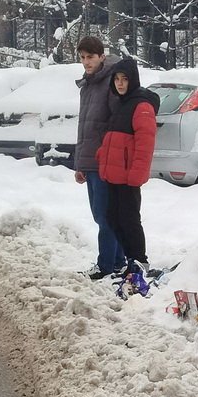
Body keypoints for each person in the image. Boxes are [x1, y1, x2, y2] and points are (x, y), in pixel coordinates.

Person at [96, 58, 160, 295]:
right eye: (117, 79)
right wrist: (102, 155)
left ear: (133, 80)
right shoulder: (122, 103)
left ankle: (139, 261)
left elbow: (145, 144)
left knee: (130, 220)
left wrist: (137, 174)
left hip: (128, 176)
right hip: (113, 174)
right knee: (113, 218)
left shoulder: (141, 105)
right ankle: (130, 261)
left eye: (125, 79)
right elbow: (114, 137)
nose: (120, 84)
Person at [74, 36, 125, 280]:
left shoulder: (112, 82)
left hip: (106, 160)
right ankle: (117, 262)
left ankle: (106, 265)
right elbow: (85, 127)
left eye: (90, 57)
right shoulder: (88, 84)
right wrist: (80, 165)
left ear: (101, 56)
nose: (86, 62)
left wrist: (110, 154)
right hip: (91, 162)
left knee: (106, 215)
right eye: (82, 57)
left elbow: (117, 121)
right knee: (100, 215)